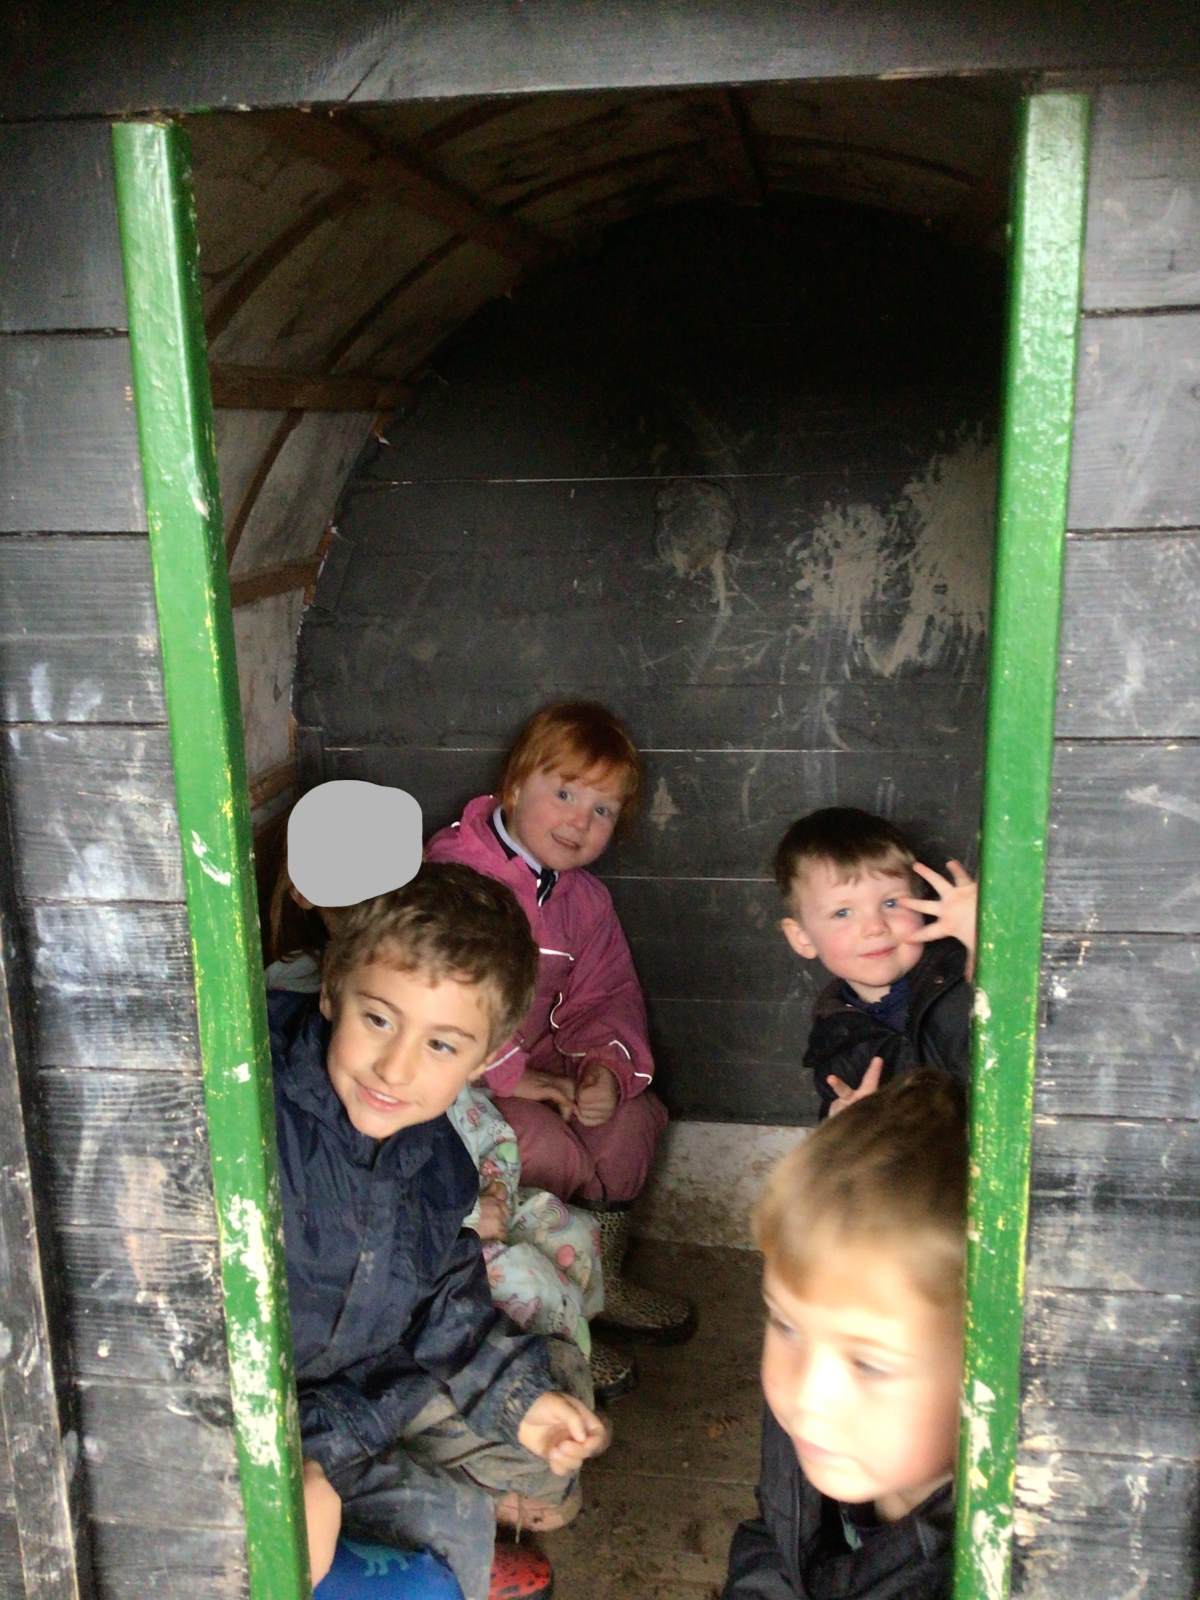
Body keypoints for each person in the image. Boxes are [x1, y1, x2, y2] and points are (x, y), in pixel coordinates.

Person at [271, 862, 609, 1600]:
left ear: (486, 1059)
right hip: (262, 1419)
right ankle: (397, 1533)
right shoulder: (256, 1111)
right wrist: (271, 1467)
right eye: (378, 1019)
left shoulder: (437, 1161)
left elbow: (445, 1299)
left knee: (552, 1425)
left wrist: (521, 1401)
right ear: (332, 989)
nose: (395, 1069)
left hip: (360, 1398)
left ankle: (404, 1517)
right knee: (446, 1523)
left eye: (442, 1045)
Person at [426, 702, 696, 1387]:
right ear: (515, 785)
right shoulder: (457, 870)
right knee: (542, 1147)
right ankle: (553, 1327)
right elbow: (439, 997)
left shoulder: (585, 900)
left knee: (627, 1123)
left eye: (603, 810)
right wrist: (515, 1077)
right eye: (566, 794)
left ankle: (602, 1288)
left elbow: (606, 995)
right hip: (470, 1081)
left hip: (549, 1067)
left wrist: (603, 1065)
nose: (580, 821)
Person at [722, 1070, 967, 1599]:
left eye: (871, 1363)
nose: (808, 1397)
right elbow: (776, 1539)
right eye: (785, 1324)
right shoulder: (833, 1442)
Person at [773, 807, 977, 1119]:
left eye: (891, 903)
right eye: (842, 913)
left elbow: (1019, 1003)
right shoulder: (835, 1040)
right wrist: (844, 1123)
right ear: (802, 938)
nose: (875, 927)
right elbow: (842, 1130)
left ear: (923, 903)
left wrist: (982, 938)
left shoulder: (960, 971)